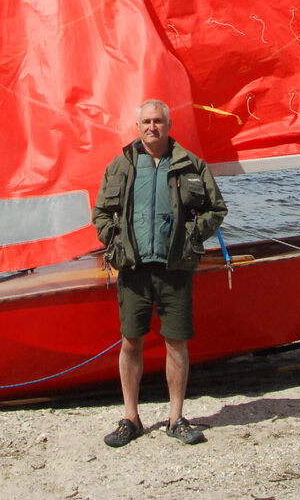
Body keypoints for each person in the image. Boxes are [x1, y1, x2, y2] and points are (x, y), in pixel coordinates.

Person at [92, 99, 227, 447]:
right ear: (137, 127)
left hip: (175, 268)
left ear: (168, 125)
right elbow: (101, 214)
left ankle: (176, 418)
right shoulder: (121, 166)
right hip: (134, 269)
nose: (152, 127)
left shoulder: (189, 165)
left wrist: (192, 236)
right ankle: (131, 418)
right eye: (146, 122)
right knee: (130, 341)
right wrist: (115, 241)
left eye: (158, 121)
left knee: (176, 342)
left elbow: (216, 208)